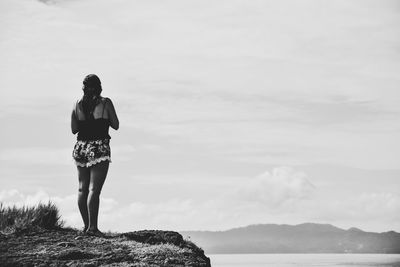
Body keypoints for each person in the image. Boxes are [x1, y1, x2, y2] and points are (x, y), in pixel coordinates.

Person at [71, 74, 119, 236]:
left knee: (81, 189)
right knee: (94, 190)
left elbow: (74, 129)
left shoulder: (77, 104)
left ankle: (86, 226)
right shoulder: (105, 103)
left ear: (83, 88)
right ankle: (93, 228)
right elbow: (116, 124)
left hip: (81, 147)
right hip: (98, 147)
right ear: (99, 87)